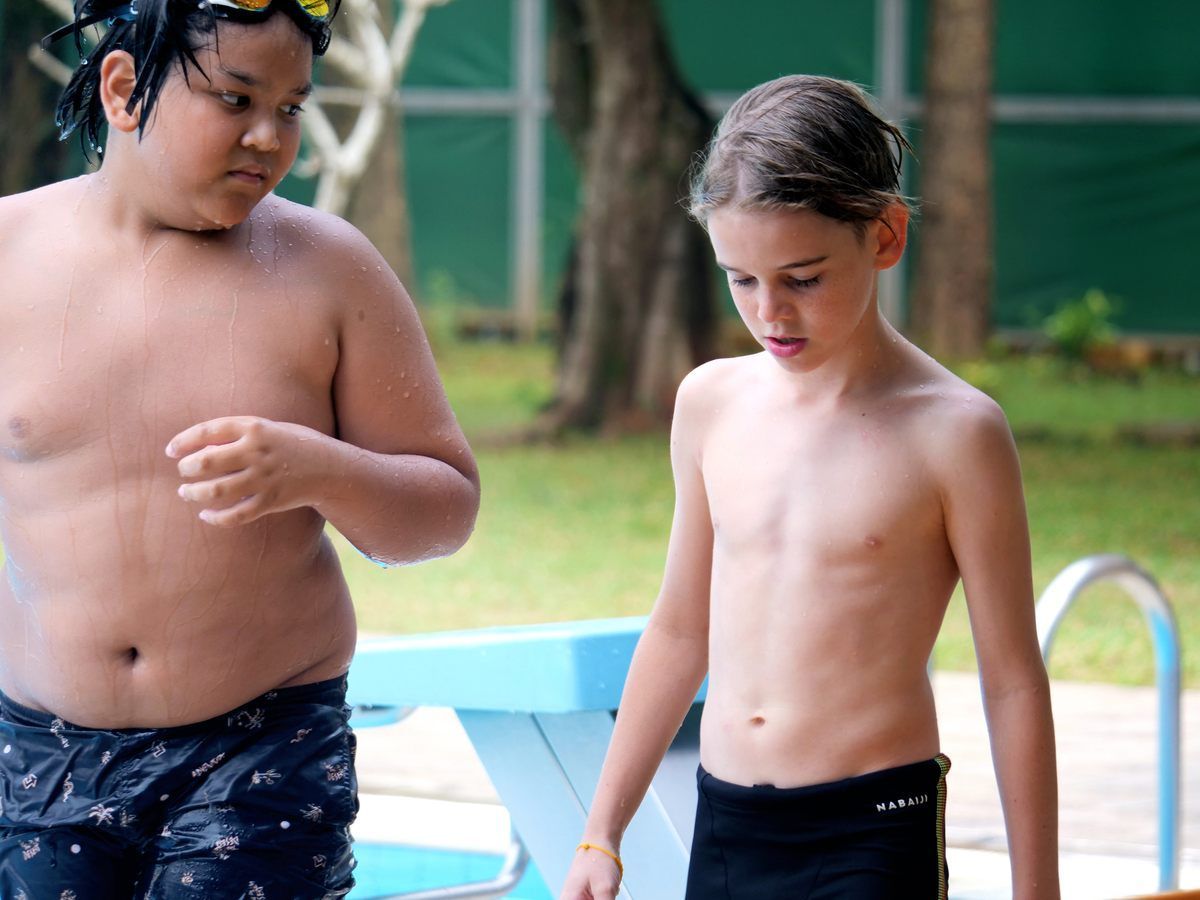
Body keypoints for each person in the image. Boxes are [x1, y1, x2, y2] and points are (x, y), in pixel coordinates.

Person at [0, 1, 480, 896]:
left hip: (260, 749)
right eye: (235, 98)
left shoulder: (328, 269)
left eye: (293, 108)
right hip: (39, 755)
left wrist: (319, 468)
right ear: (122, 89)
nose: (268, 136)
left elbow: (443, 513)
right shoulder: (9, 255)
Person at [560, 75, 1059, 900]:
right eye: (741, 279)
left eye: (804, 278)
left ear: (886, 235)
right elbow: (682, 630)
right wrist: (601, 831)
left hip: (869, 827)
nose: (770, 313)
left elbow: (1011, 678)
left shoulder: (956, 432)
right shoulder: (711, 403)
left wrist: (1036, 890)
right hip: (726, 823)